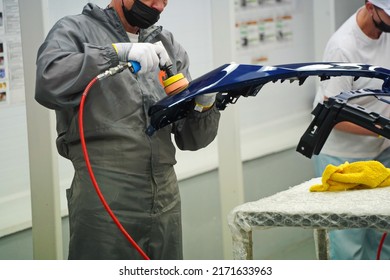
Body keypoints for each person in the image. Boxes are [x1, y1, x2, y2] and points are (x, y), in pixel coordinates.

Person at [35, 0, 220, 260]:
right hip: (106, 195)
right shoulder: (75, 30)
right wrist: (113, 54)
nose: (159, 6)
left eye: (166, 0)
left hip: (165, 194)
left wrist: (205, 103)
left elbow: (192, 139)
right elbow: (47, 83)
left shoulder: (167, 44)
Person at [313, 0, 390, 259]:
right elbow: (333, 115)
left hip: (383, 152)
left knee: (384, 236)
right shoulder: (342, 48)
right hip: (342, 157)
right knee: (348, 243)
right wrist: (383, 129)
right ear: (371, 7)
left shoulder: (386, 33)